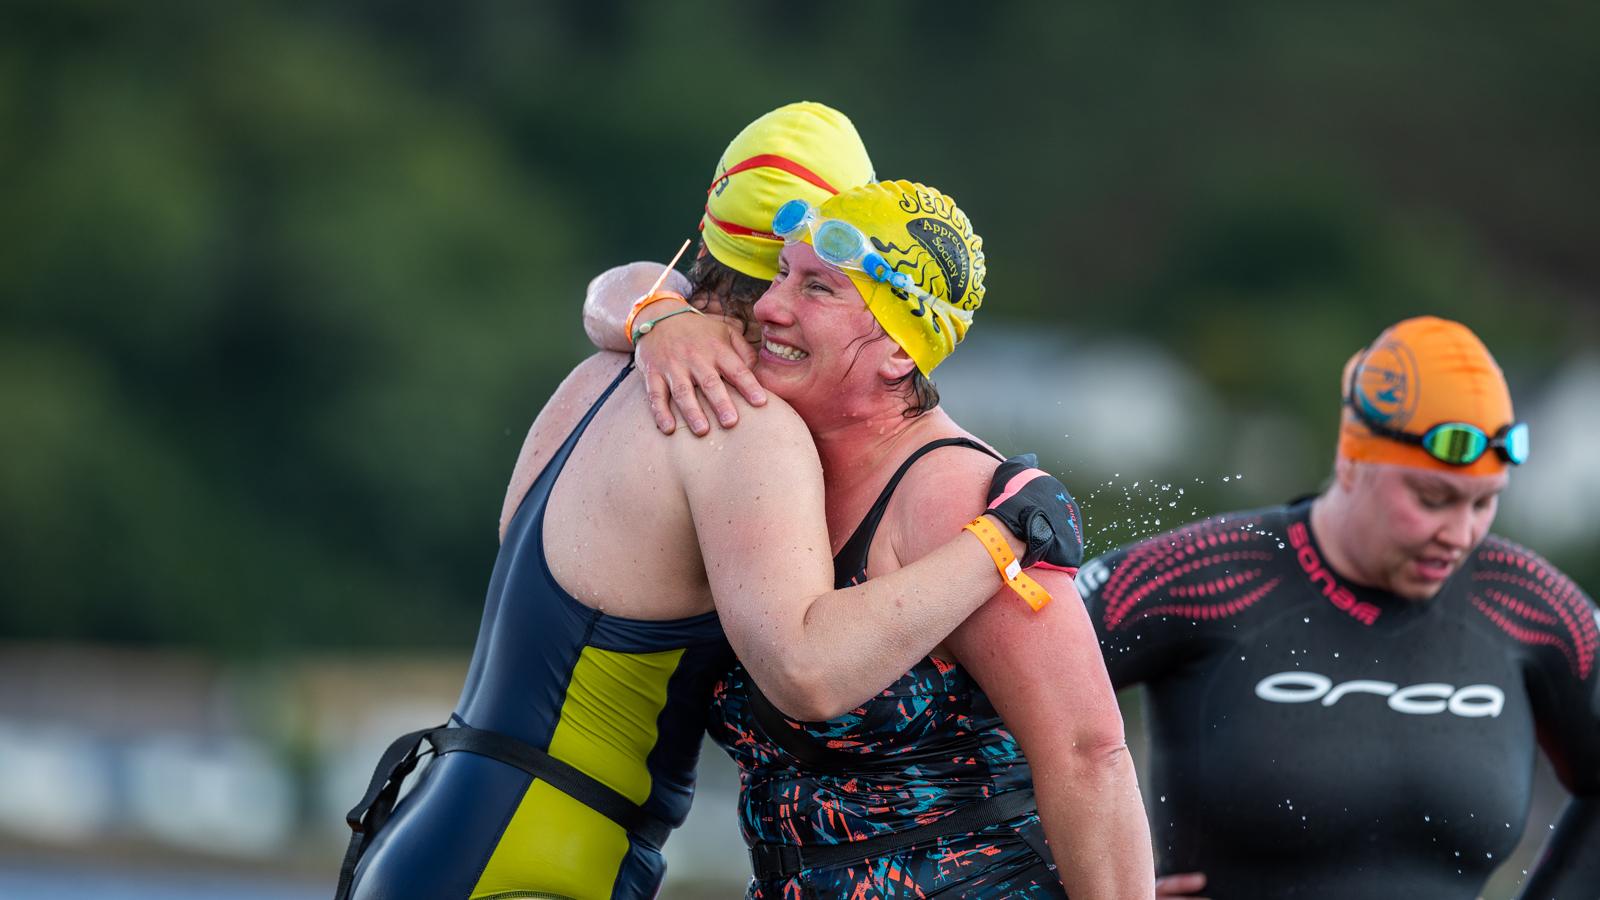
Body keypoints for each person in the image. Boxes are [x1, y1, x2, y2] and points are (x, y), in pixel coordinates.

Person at [334, 102, 1087, 900]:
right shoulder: (737, 421)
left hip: (425, 831)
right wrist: (1003, 538)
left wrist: (655, 308)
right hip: (545, 862)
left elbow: (617, 296)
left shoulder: (602, 372)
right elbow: (807, 670)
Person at [586, 180, 1154, 898]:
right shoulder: (770, 475)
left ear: (896, 350)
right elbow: (610, 295)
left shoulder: (960, 499)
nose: (768, 306)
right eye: (781, 274)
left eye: (816, 288)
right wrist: (659, 321)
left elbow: (1089, 755)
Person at [1073, 316, 1600, 900]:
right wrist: (1085, 886)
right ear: (1352, 459)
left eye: (1485, 502)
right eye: (1432, 499)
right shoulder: (1210, 574)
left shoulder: (1527, 604)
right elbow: (979, 699)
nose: (1460, 533)